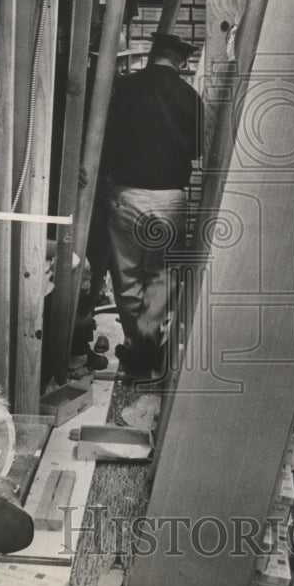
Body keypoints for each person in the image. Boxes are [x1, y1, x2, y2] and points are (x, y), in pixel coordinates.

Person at [101, 32, 204, 374]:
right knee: (163, 272)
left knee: (127, 275)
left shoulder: (124, 88)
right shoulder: (191, 97)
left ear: (151, 55)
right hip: (169, 199)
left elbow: (105, 137)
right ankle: (148, 334)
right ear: (182, 62)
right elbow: (196, 151)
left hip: (126, 195)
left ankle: (140, 347)